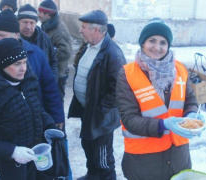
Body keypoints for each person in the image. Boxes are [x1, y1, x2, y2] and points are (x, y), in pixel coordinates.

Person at [116, 18, 205, 180]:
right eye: (152, 41)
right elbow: (129, 119)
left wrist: (192, 115)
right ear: (143, 43)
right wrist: (163, 124)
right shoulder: (127, 74)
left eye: (163, 42)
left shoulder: (180, 69)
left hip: (179, 156)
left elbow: (190, 101)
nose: (157, 47)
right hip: (144, 161)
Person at [0, 38, 57, 180]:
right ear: (2, 66)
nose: (24, 68)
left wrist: (49, 124)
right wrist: (13, 152)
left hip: (38, 156)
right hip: (12, 166)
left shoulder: (28, 80)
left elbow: (35, 107)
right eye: (17, 64)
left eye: (24, 62)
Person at [0, 9, 64, 129]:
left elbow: (49, 87)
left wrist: (56, 115)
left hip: (33, 120)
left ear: (16, 34)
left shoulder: (35, 54)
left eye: (2, 35)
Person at [68, 10, 126, 180]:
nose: (80, 30)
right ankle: (92, 175)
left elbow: (119, 89)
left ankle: (105, 177)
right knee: (88, 145)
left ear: (96, 30)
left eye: (83, 27)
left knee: (103, 158)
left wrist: (100, 109)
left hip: (101, 116)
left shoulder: (113, 53)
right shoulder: (88, 46)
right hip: (88, 110)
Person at [38, 0, 72, 101]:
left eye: (40, 13)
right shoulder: (46, 26)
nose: (38, 15)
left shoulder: (59, 29)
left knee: (56, 104)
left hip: (58, 75)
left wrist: (45, 55)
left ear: (48, 14)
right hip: (49, 72)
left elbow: (66, 51)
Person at [17, 4, 58, 80]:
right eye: (25, 22)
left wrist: (52, 79)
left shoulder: (44, 38)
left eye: (32, 23)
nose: (28, 27)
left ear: (36, 23)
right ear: (18, 22)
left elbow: (53, 61)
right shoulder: (12, 39)